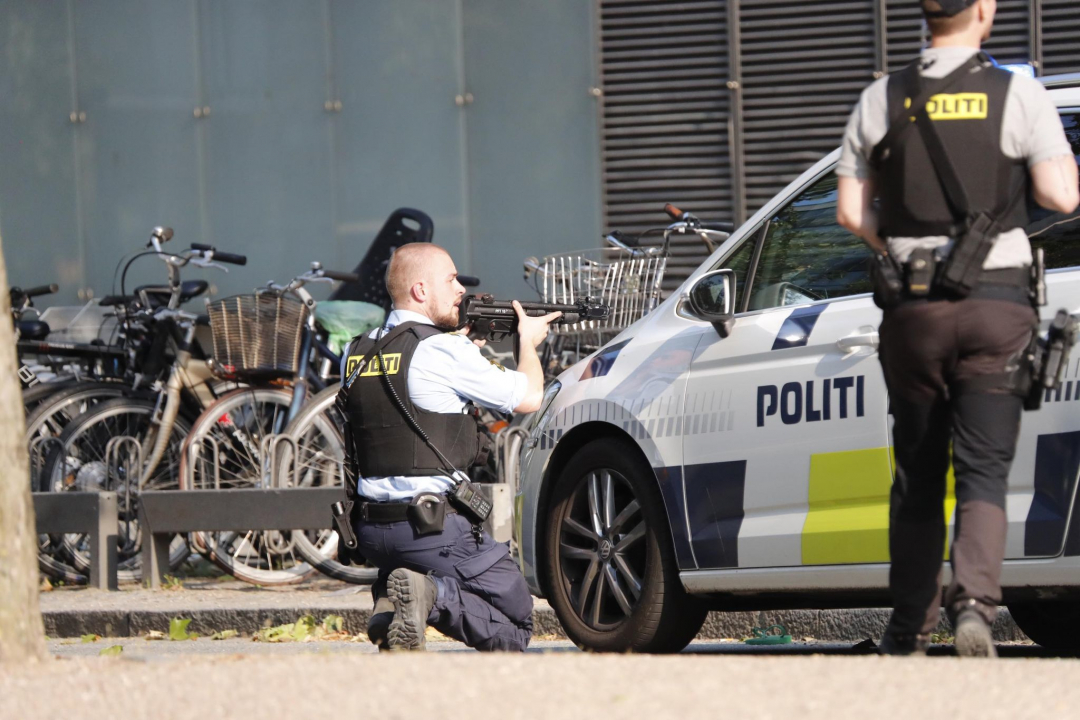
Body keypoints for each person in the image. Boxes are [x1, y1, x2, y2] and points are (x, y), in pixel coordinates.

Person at [836, 0, 1079, 657]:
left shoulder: (881, 98)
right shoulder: (1018, 95)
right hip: (998, 309)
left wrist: (899, 244)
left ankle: (908, 629)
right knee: (983, 470)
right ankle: (973, 607)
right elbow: (1062, 197)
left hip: (915, 314)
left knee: (918, 473)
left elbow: (850, 211)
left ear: (926, 15)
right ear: (984, 11)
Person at [339, 242, 560, 652]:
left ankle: (392, 600)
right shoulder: (444, 349)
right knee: (517, 620)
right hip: (432, 528)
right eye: (451, 279)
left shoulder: (355, 351)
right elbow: (529, 396)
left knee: (444, 577)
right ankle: (428, 595)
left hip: (370, 530)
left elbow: (408, 394)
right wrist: (528, 342)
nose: (461, 289)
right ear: (421, 290)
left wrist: (464, 352)